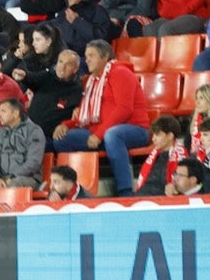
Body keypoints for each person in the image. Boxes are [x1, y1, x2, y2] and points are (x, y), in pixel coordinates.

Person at [51, 39, 150, 196]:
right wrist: (67, 125)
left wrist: (99, 135)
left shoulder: (120, 73)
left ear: (105, 57)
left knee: (113, 135)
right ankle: (74, 190)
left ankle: (126, 191)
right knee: (61, 139)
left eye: (92, 55)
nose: (87, 59)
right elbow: (86, 115)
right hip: (101, 132)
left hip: (134, 130)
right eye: (86, 55)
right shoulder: (92, 81)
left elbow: (124, 109)